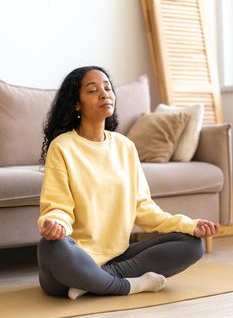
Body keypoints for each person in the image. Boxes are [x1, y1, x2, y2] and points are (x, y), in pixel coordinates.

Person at [37, 66, 219, 300]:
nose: (104, 94)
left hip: (117, 258)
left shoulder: (125, 147)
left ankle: (97, 280)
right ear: (76, 103)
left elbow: (144, 208)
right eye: (93, 91)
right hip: (75, 258)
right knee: (50, 248)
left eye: (108, 88)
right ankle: (129, 285)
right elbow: (58, 206)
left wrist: (189, 225)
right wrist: (56, 225)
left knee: (192, 245)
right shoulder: (63, 146)